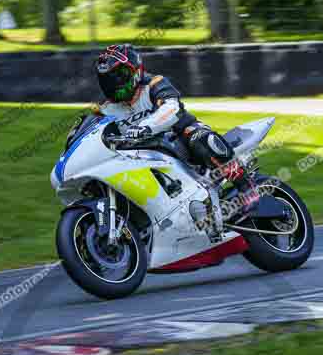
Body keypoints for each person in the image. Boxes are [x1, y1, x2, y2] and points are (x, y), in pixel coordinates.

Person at [76, 44, 259, 222]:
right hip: (144, 156)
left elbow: (172, 108)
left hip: (179, 138)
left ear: (135, 71)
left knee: (199, 138)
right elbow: (91, 134)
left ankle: (246, 187)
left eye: (118, 76)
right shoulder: (106, 109)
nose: (113, 83)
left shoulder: (154, 84)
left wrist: (146, 127)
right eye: (107, 79)